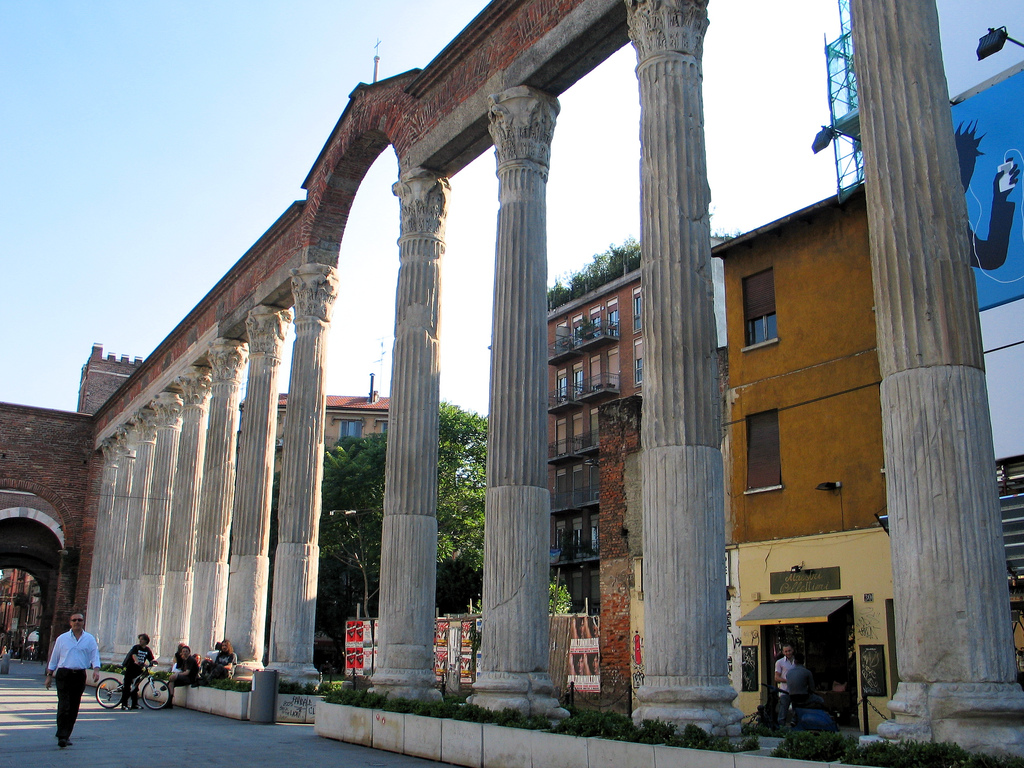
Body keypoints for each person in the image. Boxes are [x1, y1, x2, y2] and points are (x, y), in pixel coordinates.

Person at [45, 612, 100, 749]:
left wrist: (96, 669)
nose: (77, 622)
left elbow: (94, 654)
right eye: (74, 620)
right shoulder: (62, 639)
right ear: (70, 623)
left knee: (74, 706)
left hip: (79, 675)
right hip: (64, 674)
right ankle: (62, 735)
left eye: (79, 620)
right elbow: (55, 657)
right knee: (64, 705)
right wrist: (49, 675)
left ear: (83, 622)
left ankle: (67, 734)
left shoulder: (89, 639)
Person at [119, 633, 156, 710]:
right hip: (131, 668)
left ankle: (134, 704)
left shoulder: (147, 650)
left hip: (138, 670)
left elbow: (151, 658)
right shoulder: (136, 647)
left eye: (142, 639)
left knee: (135, 688)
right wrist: (138, 662)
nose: (140, 640)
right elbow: (134, 656)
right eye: (140, 639)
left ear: (146, 641)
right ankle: (124, 704)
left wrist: (154, 662)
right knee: (127, 687)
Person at [166, 643, 200, 707]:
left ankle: (166, 685)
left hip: (191, 679)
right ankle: (169, 702)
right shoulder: (184, 660)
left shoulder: (191, 660)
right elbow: (181, 669)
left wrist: (176, 675)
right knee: (171, 683)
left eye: (186, 651)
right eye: (183, 651)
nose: (185, 653)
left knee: (173, 677)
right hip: (185, 678)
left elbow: (187, 673)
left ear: (189, 652)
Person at [774, 643, 795, 727]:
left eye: (789, 651)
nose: (788, 653)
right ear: (783, 652)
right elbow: (776, 678)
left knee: (796, 712)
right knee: (783, 712)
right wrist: (788, 681)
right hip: (784, 691)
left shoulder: (797, 662)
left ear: (792, 650)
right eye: (786, 651)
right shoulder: (780, 662)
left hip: (795, 691)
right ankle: (781, 730)